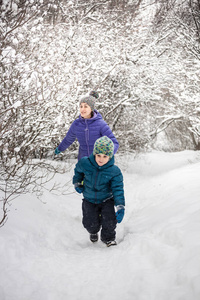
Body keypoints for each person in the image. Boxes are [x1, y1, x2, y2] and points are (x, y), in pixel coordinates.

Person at [73, 136, 125, 247]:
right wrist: (77, 182)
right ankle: (93, 231)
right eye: (98, 155)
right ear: (94, 154)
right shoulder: (85, 163)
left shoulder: (114, 171)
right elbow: (78, 171)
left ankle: (108, 239)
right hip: (89, 199)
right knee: (90, 223)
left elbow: (118, 189)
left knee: (110, 221)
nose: (101, 159)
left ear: (110, 156)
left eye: (105, 156)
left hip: (106, 199)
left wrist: (120, 206)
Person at [54, 91, 119, 160]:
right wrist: (60, 148)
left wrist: (107, 155)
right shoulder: (76, 124)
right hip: (83, 163)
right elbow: (69, 139)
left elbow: (114, 143)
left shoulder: (101, 124)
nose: (82, 109)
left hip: (98, 164)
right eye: (81, 106)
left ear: (91, 109)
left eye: (86, 106)